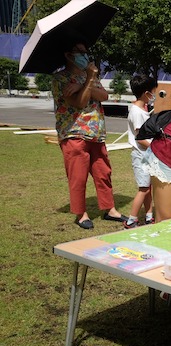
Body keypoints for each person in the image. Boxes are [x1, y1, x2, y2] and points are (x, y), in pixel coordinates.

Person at [52, 37, 126, 229]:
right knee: (78, 175)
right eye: (80, 52)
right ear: (69, 55)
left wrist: (84, 85)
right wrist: (89, 82)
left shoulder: (88, 77)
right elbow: (79, 103)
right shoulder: (60, 79)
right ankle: (81, 213)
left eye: (86, 52)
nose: (85, 56)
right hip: (74, 133)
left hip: (96, 133)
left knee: (103, 172)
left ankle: (109, 208)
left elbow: (104, 96)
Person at [123, 74, 158, 229]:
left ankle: (149, 216)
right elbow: (140, 139)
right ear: (146, 93)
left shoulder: (142, 111)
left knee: (147, 188)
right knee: (143, 189)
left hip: (146, 155)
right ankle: (131, 220)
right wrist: (157, 147)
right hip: (141, 155)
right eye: (153, 92)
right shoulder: (137, 113)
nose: (154, 95)